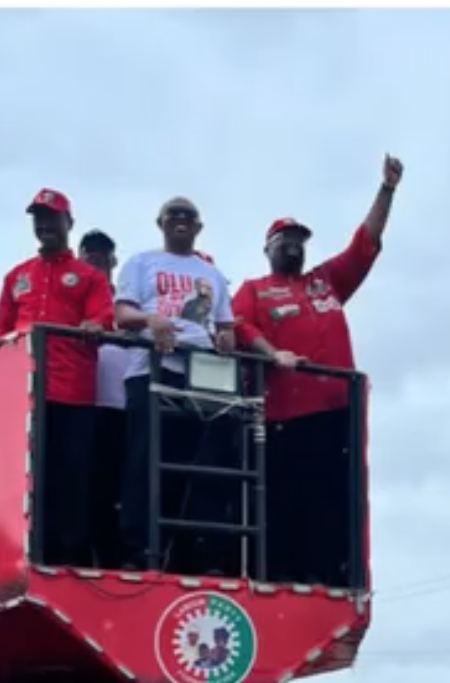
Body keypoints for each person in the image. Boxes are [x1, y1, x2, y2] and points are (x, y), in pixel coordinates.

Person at [232, 155, 402, 588]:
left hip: (336, 413)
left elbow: (364, 245)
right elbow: (237, 326)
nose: (293, 245)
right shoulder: (255, 289)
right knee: (289, 496)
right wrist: (273, 353)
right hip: (284, 416)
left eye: (299, 240)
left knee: (333, 497)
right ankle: (287, 574)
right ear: (267, 247)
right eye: (284, 239)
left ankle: (333, 573)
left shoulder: (324, 282)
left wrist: (387, 189)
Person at [0, 189, 114, 566]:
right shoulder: (17, 276)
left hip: (73, 394)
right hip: (24, 396)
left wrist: (92, 325)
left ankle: (72, 563)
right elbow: (0, 330)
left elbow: (103, 319)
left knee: (72, 479)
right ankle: (29, 556)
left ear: (69, 223)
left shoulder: (89, 277)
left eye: (52, 218)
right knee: (28, 480)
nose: (45, 225)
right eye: (38, 219)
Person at [115, 198, 238, 577]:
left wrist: (226, 340)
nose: (181, 221)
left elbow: (226, 325)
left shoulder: (212, 274)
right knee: (144, 463)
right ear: (161, 223)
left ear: (199, 226)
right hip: (151, 368)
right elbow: (121, 315)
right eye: (174, 216)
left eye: (188, 216)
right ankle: (138, 550)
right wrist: (153, 320)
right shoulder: (141, 262)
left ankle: (187, 553)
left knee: (195, 466)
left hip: (199, 373)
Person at [79, 229, 131, 568]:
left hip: (122, 404)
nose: (97, 262)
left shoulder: (125, 300)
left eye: (103, 256)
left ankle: (117, 556)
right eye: (90, 256)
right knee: (84, 483)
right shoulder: (72, 294)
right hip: (81, 403)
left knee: (120, 486)